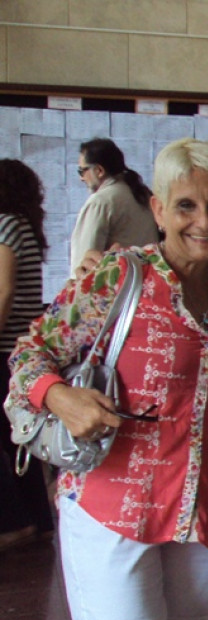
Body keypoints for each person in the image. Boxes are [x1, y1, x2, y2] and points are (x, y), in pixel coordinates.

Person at [7, 138, 208, 620]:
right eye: (185, 205)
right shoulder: (118, 276)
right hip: (113, 503)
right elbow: (29, 353)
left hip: (200, 510)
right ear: (158, 209)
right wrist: (61, 397)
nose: (203, 220)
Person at [0, 160, 54, 552]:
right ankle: (36, 518)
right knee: (16, 437)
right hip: (19, 347)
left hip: (4, 347)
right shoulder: (24, 226)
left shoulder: (5, 225)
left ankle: (16, 522)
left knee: (11, 437)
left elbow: (2, 290)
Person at [70, 138, 159, 271]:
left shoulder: (101, 202)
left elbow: (83, 267)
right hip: (149, 284)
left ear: (99, 170)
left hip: (118, 287)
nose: (81, 178)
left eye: (82, 171)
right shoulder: (143, 194)